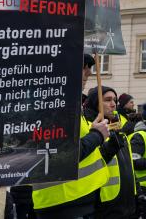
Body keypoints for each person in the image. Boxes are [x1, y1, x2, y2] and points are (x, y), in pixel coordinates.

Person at [32, 54, 110, 219]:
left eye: (89, 67)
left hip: (77, 199)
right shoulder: (53, 105)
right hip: (64, 201)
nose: (88, 72)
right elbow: (64, 155)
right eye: (83, 67)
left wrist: (95, 132)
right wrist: (97, 135)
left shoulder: (67, 102)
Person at [84, 85, 138, 219]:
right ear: (96, 102)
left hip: (127, 205)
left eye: (115, 100)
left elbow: (129, 167)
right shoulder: (89, 130)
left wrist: (138, 196)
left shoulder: (118, 130)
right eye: (108, 100)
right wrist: (109, 145)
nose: (113, 104)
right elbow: (91, 162)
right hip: (104, 205)